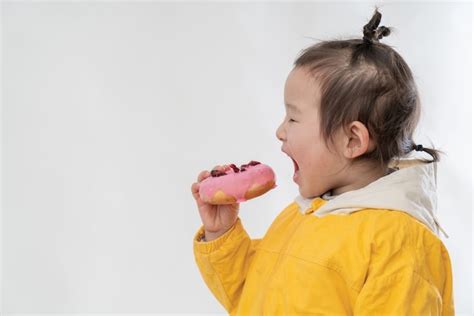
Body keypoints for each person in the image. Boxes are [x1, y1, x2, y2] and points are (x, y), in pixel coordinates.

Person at [190, 7, 454, 315]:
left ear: (352, 140)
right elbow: (251, 298)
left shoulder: (398, 241)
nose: (280, 131)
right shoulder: (303, 215)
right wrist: (222, 232)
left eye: (293, 117)